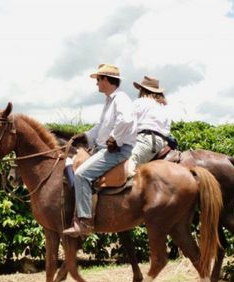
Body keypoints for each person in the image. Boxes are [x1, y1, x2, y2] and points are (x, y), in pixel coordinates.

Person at [63, 64, 136, 237]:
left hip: (117, 150)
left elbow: (126, 119)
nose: (96, 84)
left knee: (81, 174)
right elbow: (100, 127)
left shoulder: (121, 98)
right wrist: (85, 136)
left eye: (98, 80)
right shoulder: (109, 101)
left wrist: (114, 138)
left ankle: (85, 222)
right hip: (106, 148)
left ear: (105, 80)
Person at [128, 76, 172, 176]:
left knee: (129, 161)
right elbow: (167, 128)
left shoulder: (139, 102)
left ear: (142, 90)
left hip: (146, 140)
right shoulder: (162, 107)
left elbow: (127, 123)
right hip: (161, 142)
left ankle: (130, 189)